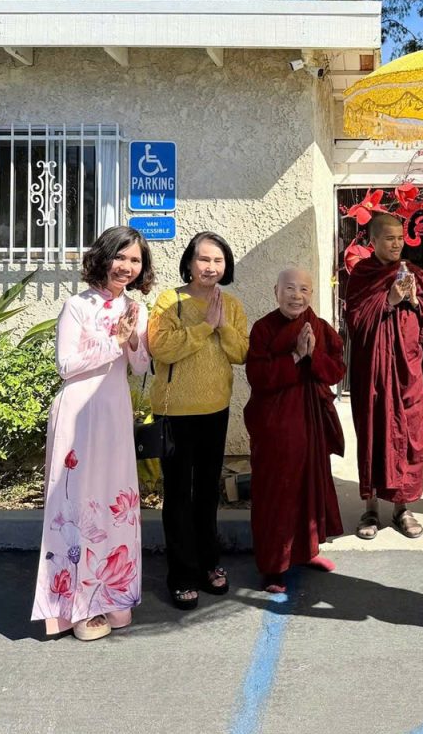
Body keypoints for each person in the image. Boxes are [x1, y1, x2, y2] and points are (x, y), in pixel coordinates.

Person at [31, 226, 154, 641]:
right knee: (79, 503)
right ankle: (79, 607)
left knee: (115, 503)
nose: (127, 266)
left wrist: (133, 340)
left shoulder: (136, 308)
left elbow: (140, 366)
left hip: (114, 413)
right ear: (103, 257)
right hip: (79, 414)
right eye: (120, 256)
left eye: (135, 260)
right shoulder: (76, 306)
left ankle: (113, 595)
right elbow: (66, 365)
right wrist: (113, 341)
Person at [148, 232, 249, 610]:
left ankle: (209, 563)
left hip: (215, 409)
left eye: (218, 260)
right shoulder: (169, 301)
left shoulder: (231, 305)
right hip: (175, 412)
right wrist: (206, 326)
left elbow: (241, 352)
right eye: (203, 259)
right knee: (178, 494)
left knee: (207, 491)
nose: (210, 267)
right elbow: (161, 348)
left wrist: (222, 326)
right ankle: (181, 574)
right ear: (189, 263)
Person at [244, 267, 346, 593]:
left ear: (311, 294)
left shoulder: (321, 328)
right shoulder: (263, 328)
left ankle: (306, 552)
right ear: (276, 291)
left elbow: (336, 371)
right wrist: (295, 356)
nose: (297, 296)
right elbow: (257, 376)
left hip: (310, 424)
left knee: (307, 489)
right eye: (289, 288)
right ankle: (273, 567)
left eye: (304, 289)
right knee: (276, 493)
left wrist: (313, 355)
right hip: (275, 425)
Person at [345, 213, 423, 540]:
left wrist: (413, 299)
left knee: (410, 435)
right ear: (373, 241)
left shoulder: (413, 273)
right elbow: (355, 318)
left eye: (400, 237)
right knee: (374, 432)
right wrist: (389, 299)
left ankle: (402, 508)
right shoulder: (363, 274)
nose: (397, 243)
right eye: (389, 238)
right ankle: (371, 508)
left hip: (406, 370)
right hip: (373, 371)